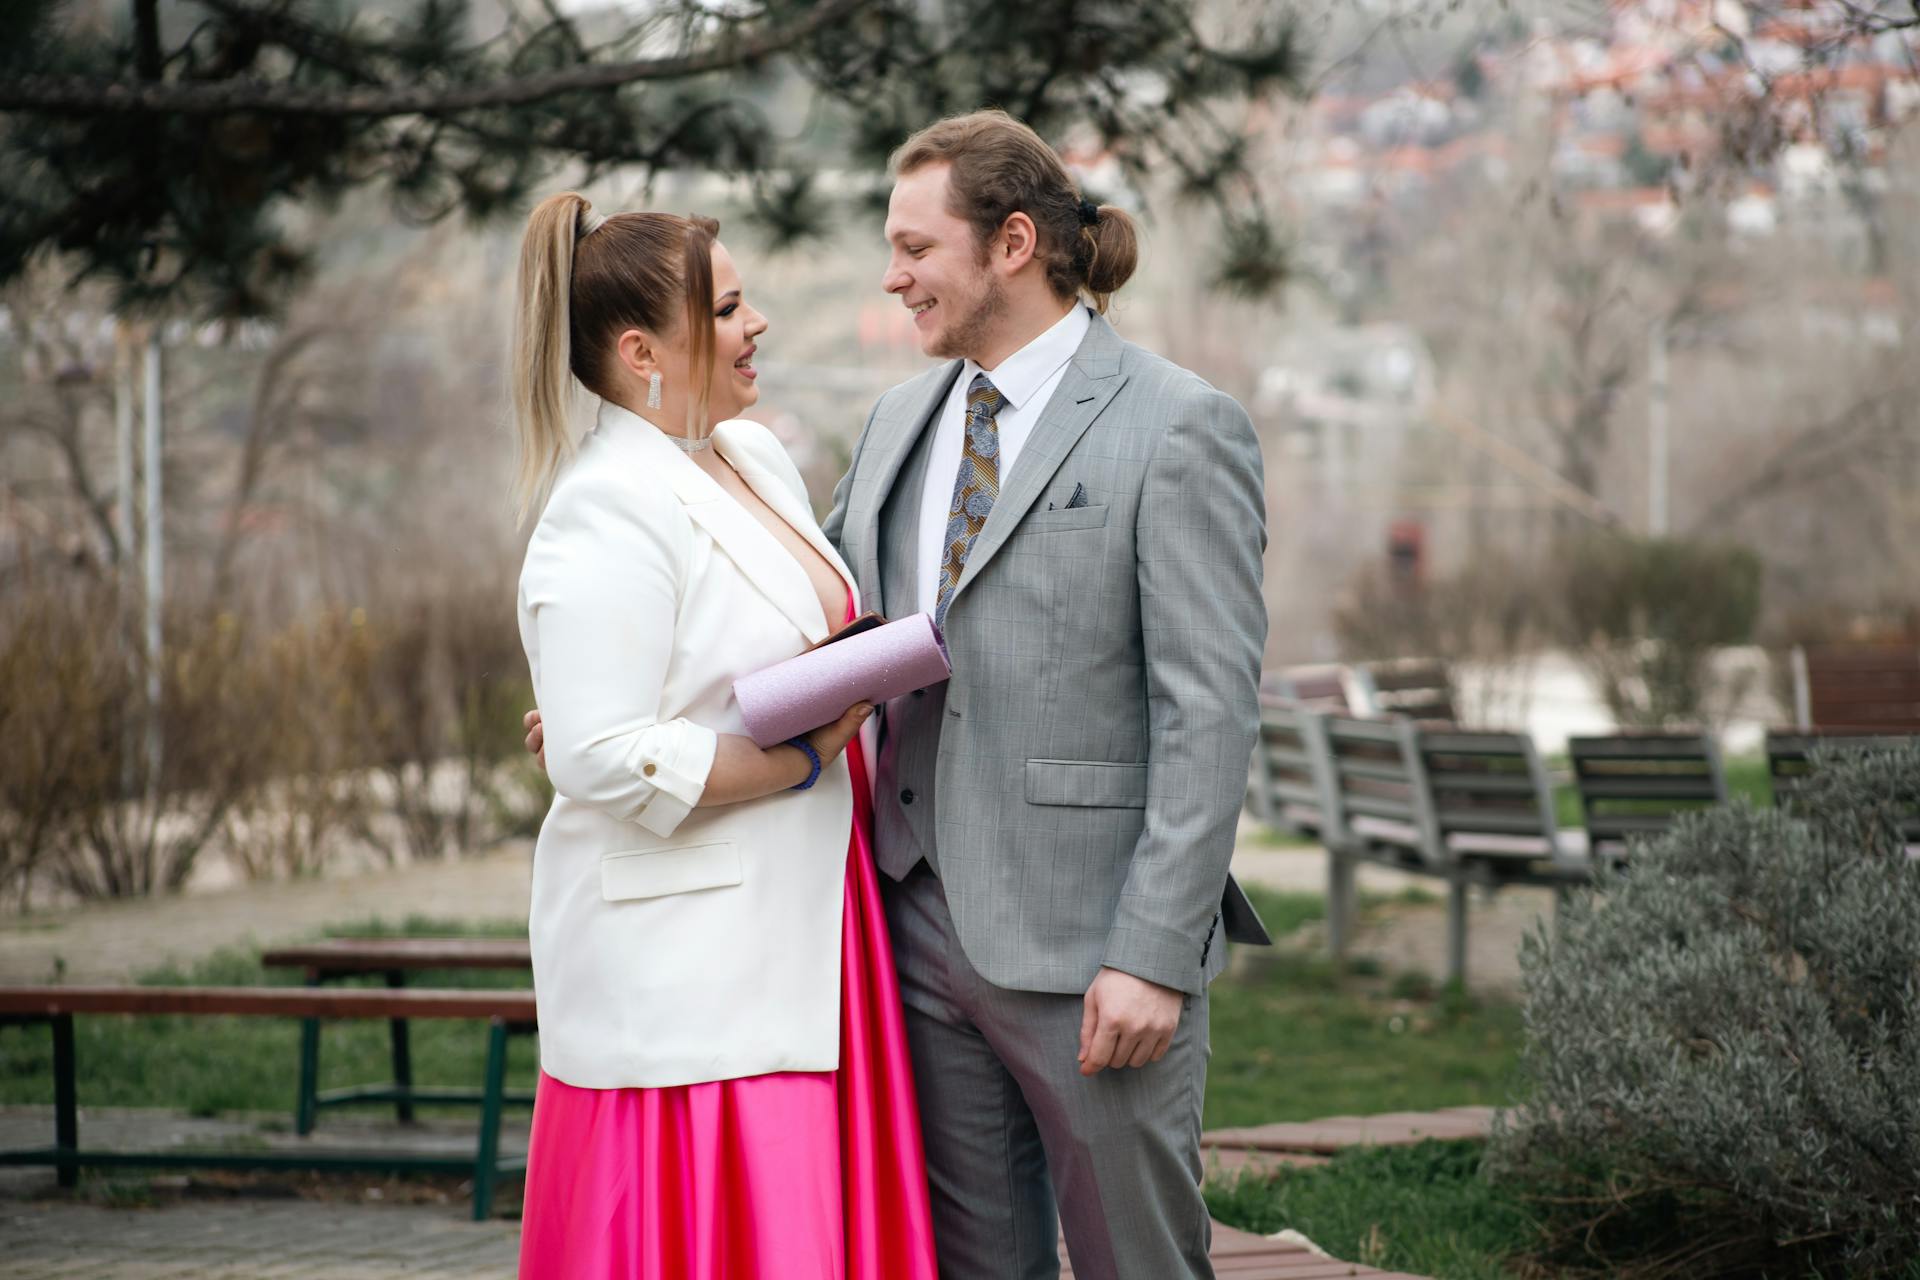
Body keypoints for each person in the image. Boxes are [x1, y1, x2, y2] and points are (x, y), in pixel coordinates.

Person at [525, 110, 1271, 1279]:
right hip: (905, 946)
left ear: (1013, 243)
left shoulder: (1178, 426)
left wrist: (1156, 951)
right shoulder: (897, 424)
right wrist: (606, 713)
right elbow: (800, 630)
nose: (893, 275)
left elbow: (1211, 713)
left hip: (1091, 947)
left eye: (917, 248)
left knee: (1140, 1262)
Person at [507, 193, 936, 1280]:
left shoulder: (752, 456)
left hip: (812, 920)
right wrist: (799, 755)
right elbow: (599, 752)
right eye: (731, 306)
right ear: (643, 349)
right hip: (689, 967)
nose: (759, 326)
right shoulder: (602, 506)